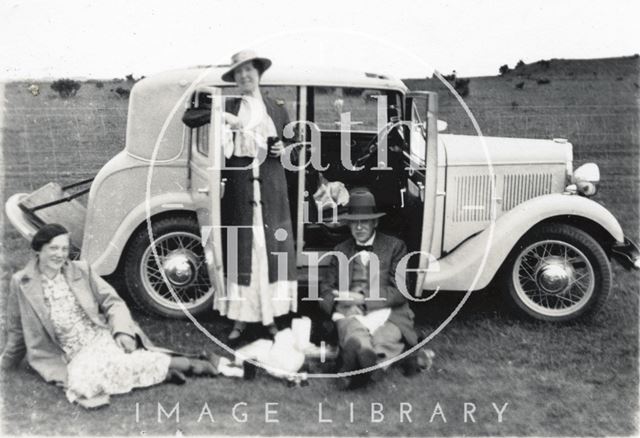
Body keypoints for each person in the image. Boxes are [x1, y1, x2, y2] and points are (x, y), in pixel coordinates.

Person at [0, 224, 249, 409]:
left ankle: (203, 365)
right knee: (85, 384)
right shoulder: (21, 283)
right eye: (53, 248)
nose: (60, 254)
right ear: (38, 250)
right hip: (68, 352)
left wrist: (122, 331)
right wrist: (6, 365)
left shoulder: (80, 270)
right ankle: (167, 371)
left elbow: (112, 302)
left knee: (102, 373)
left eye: (64, 248)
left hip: (97, 337)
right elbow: (17, 330)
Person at [183, 50, 297, 344]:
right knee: (241, 251)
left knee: (268, 251)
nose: (245, 76)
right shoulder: (229, 104)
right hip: (239, 192)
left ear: (259, 74)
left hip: (271, 191)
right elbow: (190, 117)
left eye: (250, 70)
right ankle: (240, 321)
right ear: (234, 78)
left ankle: (271, 318)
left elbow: (291, 143)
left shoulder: (276, 107)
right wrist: (221, 114)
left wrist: (280, 149)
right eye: (239, 72)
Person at [319, 188, 431, 389]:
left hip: (386, 312)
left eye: (365, 221)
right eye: (354, 222)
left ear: (375, 222)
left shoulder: (395, 247)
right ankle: (366, 358)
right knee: (352, 329)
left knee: (386, 336)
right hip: (349, 312)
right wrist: (338, 303)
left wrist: (363, 300)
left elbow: (399, 291)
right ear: (349, 224)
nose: (359, 227)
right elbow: (325, 291)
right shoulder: (340, 250)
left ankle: (357, 364)